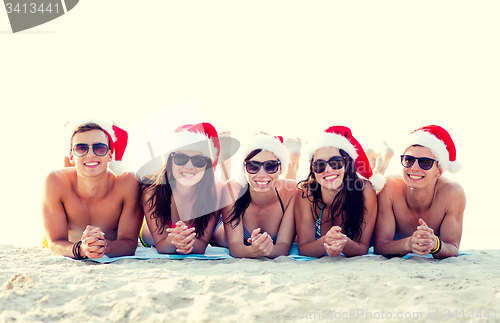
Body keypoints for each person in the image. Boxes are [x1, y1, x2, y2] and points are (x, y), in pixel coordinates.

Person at [42, 121, 143, 259]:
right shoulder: (54, 181)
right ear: (71, 155)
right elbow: (54, 243)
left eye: (100, 148)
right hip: (72, 245)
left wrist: (106, 246)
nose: (90, 154)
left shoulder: (128, 183)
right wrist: (81, 249)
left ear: (110, 155)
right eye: (81, 148)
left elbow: (130, 243)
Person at [374, 125, 465, 259]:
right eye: (409, 160)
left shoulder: (452, 193)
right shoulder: (390, 187)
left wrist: (435, 244)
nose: (414, 168)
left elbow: (453, 247)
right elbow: (380, 246)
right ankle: (377, 166)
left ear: (439, 171)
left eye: (425, 162)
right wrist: (408, 244)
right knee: (371, 188)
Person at [295, 126, 383, 257]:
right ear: (313, 169)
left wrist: (343, 243)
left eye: (335, 162)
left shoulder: (365, 191)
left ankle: (381, 163)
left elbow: (362, 247)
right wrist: (326, 241)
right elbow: (304, 248)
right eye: (320, 165)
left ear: (347, 164)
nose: (328, 169)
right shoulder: (307, 194)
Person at [139, 123, 225, 254]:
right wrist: (173, 240)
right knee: (149, 235)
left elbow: (201, 246)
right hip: (155, 235)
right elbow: (162, 246)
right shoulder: (151, 189)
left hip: (194, 238)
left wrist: (185, 241)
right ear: (169, 161)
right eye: (180, 158)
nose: (189, 166)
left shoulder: (215, 191)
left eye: (199, 161)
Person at [213, 133, 297, 258]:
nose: (262, 174)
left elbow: (283, 247)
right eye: (253, 166)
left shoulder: (292, 192)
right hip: (227, 226)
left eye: (271, 166)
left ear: (280, 168)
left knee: (295, 238)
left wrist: (264, 250)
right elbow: (235, 247)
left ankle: (295, 160)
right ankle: (226, 164)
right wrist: (253, 251)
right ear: (244, 168)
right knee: (229, 185)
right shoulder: (232, 189)